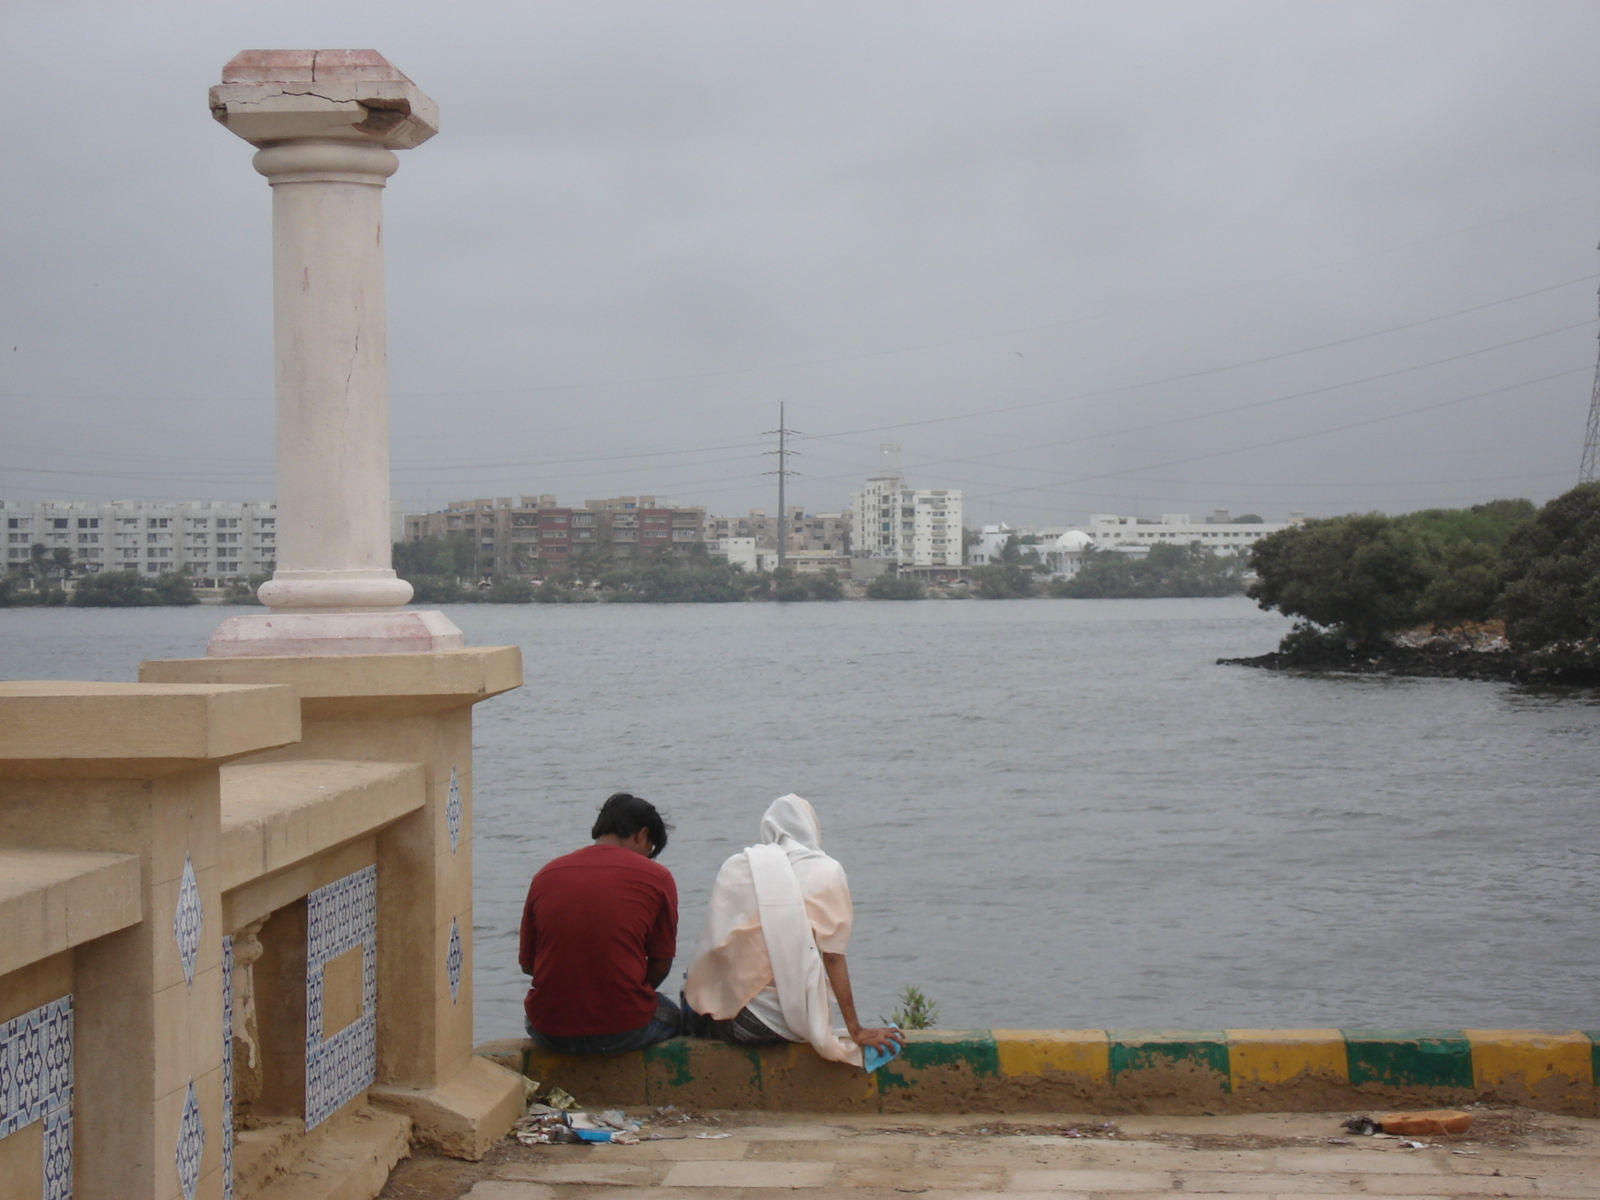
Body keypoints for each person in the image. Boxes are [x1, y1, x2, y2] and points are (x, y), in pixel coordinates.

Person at [684, 793, 904, 1065]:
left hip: (729, 1024)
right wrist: (855, 1030)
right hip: (786, 1026)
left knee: (692, 988)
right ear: (811, 826)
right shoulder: (827, 872)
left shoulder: (739, 866)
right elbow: (832, 956)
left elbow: (713, 947)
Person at [519, 793, 681, 1054]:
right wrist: (623, 998)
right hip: (624, 1030)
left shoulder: (546, 874)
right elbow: (661, 965)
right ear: (642, 834)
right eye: (649, 850)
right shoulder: (657, 877)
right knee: (677, 1016)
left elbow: (529, 965)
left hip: (550, 1031)